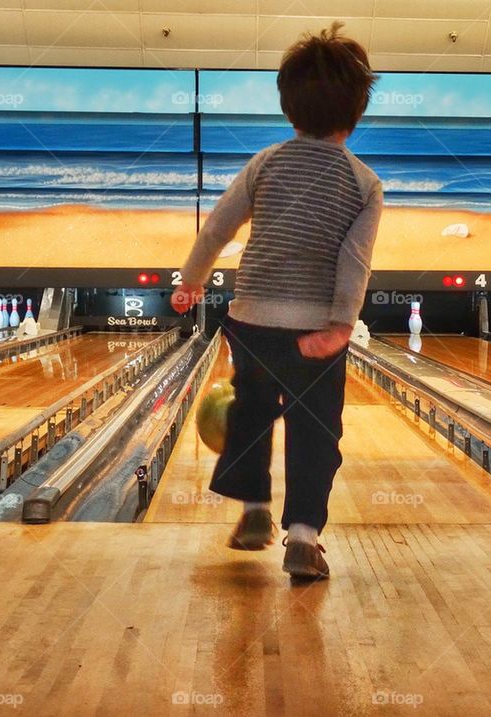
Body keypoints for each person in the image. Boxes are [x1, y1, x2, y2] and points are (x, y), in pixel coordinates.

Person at [171, 22, 382, 580]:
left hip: (253, 321)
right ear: (357, 111)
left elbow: (217, 228)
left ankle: (255, 511)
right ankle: (305, 537)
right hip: (316, 331)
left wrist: (190, 281)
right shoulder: (364, 182)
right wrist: (341, 325)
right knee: (317, 430)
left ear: (289, 108)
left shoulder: (264, 161)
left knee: (251, 417)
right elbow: (353, 263)